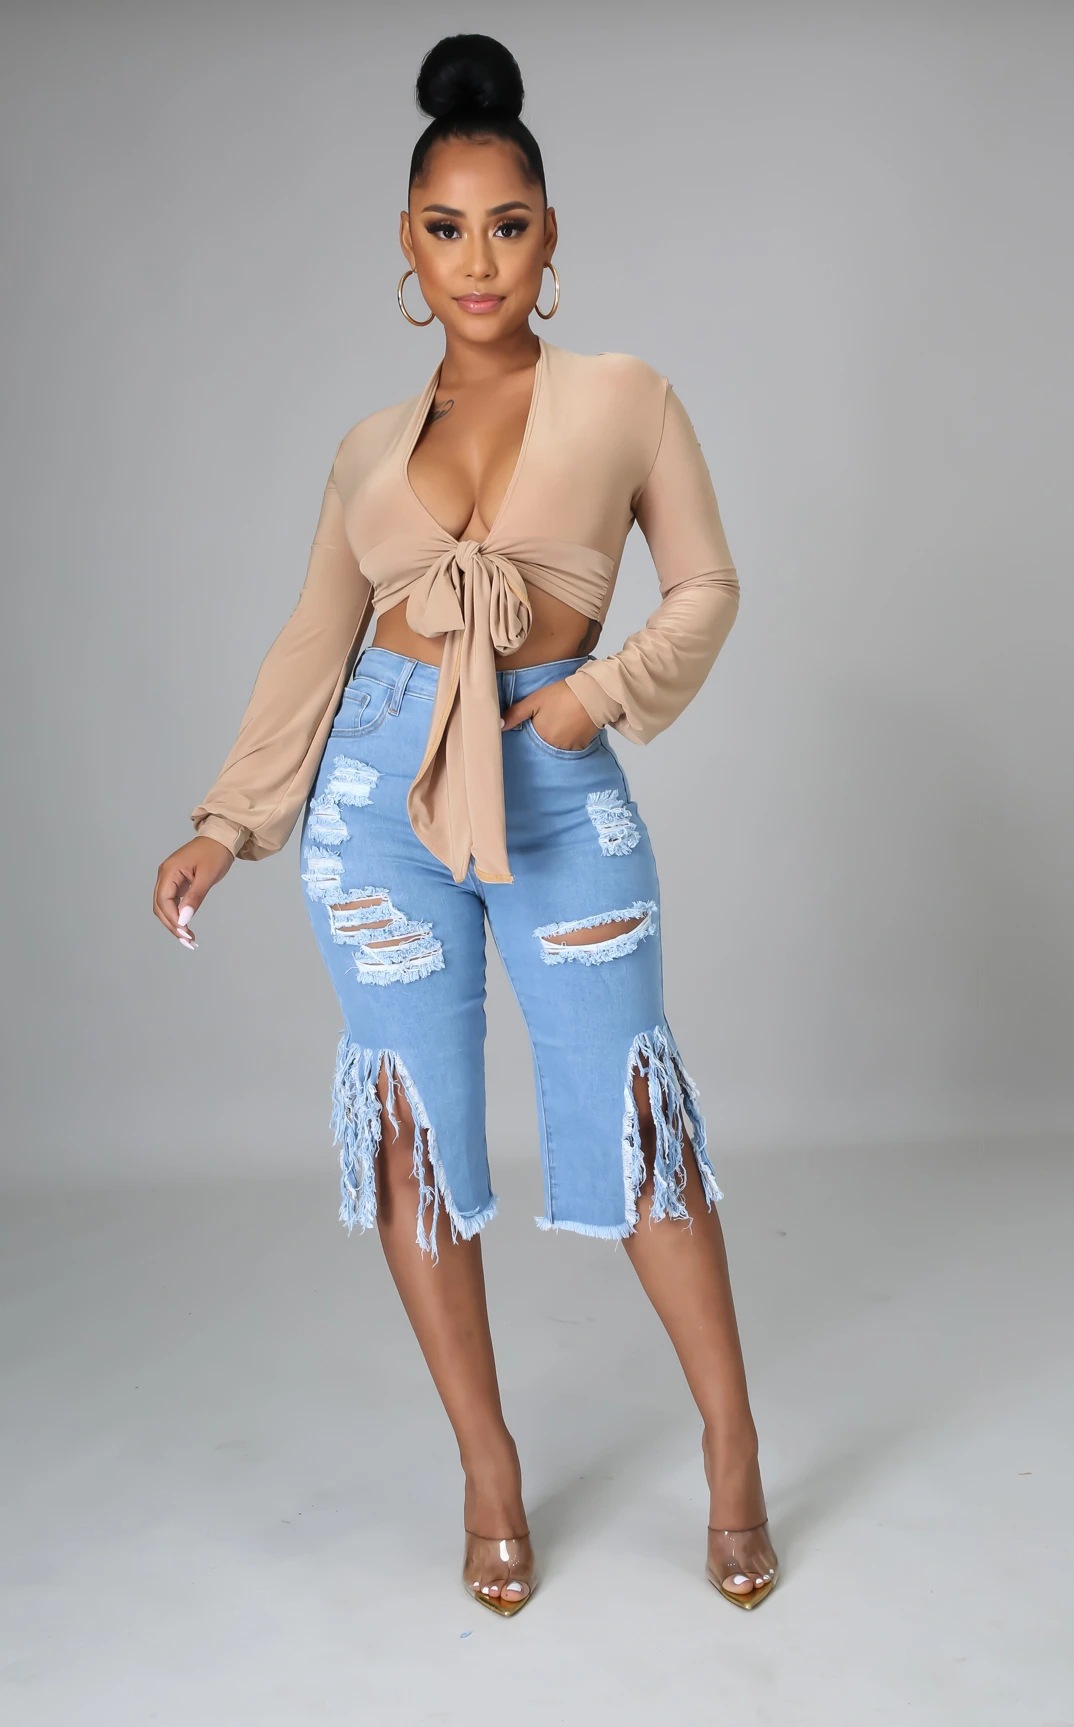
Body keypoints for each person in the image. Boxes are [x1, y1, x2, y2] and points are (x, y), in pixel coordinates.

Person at [153, 31, 778, 1616]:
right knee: (414, 1137)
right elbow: (315, 644)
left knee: (635, 1120)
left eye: (508, 226)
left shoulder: (626, 398)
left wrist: (595, 695)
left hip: (552, 777)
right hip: (375, 802)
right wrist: (229, 821)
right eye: (447, 229)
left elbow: (706, 586)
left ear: (552, 237)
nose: (479, 260)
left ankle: (732, 1448)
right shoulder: (368, 449)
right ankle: (487, 1471)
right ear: (409, 248)